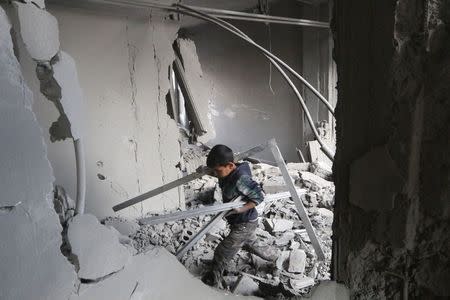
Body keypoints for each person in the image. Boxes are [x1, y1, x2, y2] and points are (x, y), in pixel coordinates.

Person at [201, 144, 278, 288]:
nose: (216, 174)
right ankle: (277, 258)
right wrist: (205, 171)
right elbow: (219, 172)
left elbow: (259, 197)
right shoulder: (227, 171)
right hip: (242, 223)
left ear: (230, 165)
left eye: (217, 171)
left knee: (223, 251)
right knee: (253, 244)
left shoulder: (241, 179)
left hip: (245, 222)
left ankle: (213, 282)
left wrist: (241, 209)